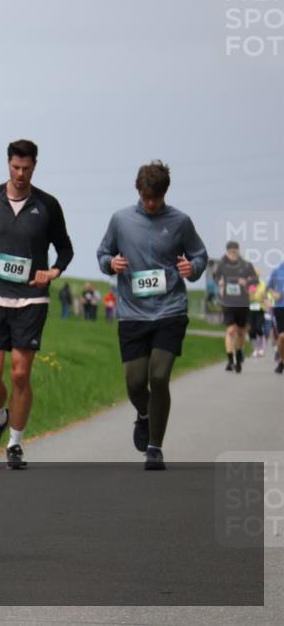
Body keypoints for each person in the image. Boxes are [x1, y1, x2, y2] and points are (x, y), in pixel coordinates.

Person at [0, 139, 73, 470]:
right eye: (15, 168)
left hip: (32, 299)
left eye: (26, 168)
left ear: (34, 167)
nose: (20, 174)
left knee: (20, 373)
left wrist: (53, 271)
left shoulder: (48, 205)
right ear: (8, 164)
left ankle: (15, 444)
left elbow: (65, 248)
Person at [97, 160, 208, 470]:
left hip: (170, 310)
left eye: (155, 199)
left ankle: (154, 448)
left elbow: (199, 255)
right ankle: (145, 415)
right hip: (132, 314)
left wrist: (193, 268)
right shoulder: (120, 220)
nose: (150, 203)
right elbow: (103, 253)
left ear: (164, 194)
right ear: (138, 191)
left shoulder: (180, 221)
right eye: (146, 197)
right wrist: (111, 264)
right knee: (135, 382)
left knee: (158, 376)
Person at [215, 241, 258, 372]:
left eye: (235, 251)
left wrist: (247, 282)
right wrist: (219, 282)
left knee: (240, 331)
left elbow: (255, 282)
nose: (233, 254)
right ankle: (230, 360)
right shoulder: (222, 265)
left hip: (243, 303)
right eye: (230, 252)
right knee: (230, 330)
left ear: (239, 251)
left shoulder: (246, 265)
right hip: (228, 302)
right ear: (227, 252)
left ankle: (239, 355)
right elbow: (216, 277)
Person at [268, 260, 284, 374]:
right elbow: (269, 287)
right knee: (282, 336)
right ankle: (282, 360)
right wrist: (274, 294)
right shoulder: (277, 271)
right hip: (280, 307)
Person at [247, 275, 267, 357]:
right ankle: (255, 348)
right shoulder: (250, 285)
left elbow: (265, 295)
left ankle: (262, 346)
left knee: (258, 327)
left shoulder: (263, 284)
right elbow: (250, 297)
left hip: (260, 309)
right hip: (251, 308)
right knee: (251, 330)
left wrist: (264, 298)